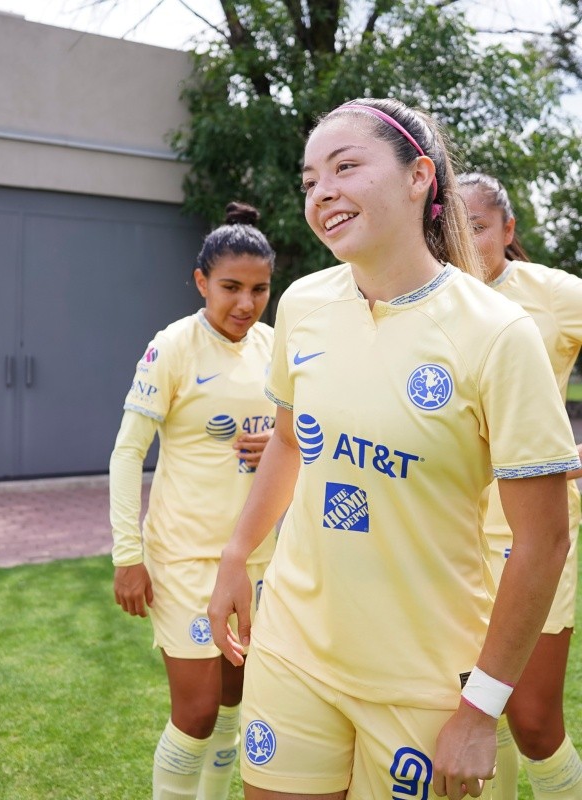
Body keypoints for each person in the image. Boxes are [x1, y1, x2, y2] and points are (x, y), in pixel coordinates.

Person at [207, 97, 580, 800]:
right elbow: (290, 438)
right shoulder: (304, 304)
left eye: (346, 166)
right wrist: (237, 553)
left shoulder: (498, 333)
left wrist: (481, 706)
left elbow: (545, 542)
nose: (323, 192)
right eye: (310, 179)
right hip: (294, 646)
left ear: (419, 180)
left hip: (426, 674)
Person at [109, 202, 277, 800]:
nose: (244, 304)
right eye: (230, 287)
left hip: (257, 560)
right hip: (184, 560)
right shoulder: (173, 346)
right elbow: (128, 453)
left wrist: (284, 447)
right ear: (202, 281)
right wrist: (127, 555)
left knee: (237, 703)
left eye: (259, 289)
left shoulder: (275, 349)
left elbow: (307, 440)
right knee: (198, 711)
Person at [457, 172, 582, 800]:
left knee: (533, 721)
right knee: (475, 703)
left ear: (508, 230)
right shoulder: (435, 298)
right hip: (448, 530)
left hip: (532, 536)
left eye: (478, 226)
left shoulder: (551, 295)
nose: (465, 239)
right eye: (452, 225)